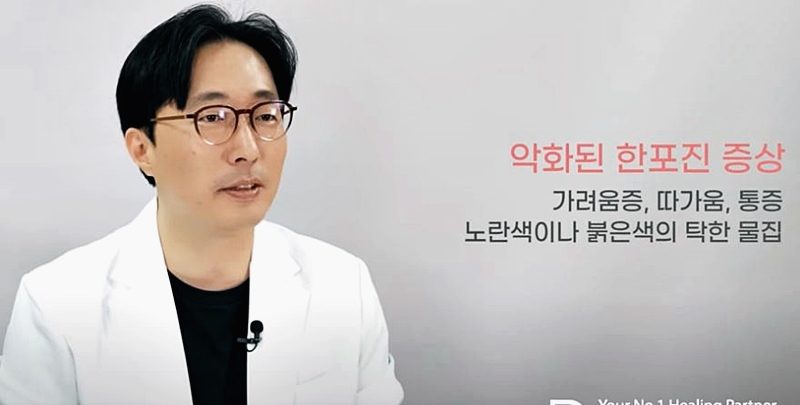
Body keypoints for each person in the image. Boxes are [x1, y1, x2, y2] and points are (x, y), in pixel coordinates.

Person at [0, 4, 403, 405]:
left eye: (265, 115)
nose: (248, 149)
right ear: (142, 149)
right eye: (213, 117)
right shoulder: (56, 306)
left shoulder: (345, 289)